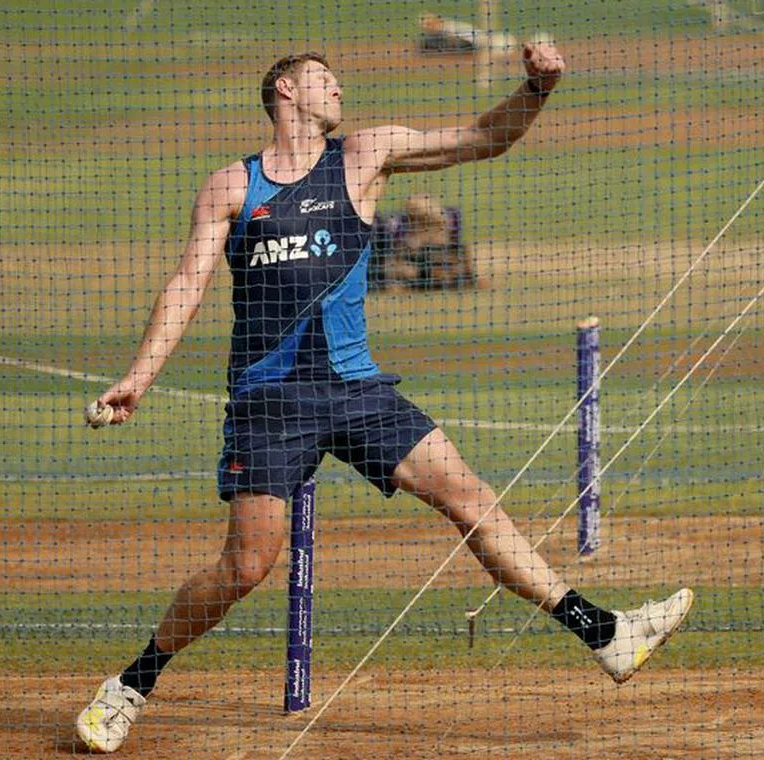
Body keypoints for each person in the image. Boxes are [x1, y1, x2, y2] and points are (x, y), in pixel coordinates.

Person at [76, 45, 694, 753]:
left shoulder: (364, 154)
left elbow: (483, 139)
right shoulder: (230, 186)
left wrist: (538, 86)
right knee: (246, 567)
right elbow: (187, 286)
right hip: (270, 401)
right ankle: (131, 684)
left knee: (474, 500)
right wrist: (138, 377)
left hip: (358, 388)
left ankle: (603, 633)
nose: (337, 86)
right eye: (321, 78)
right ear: (285, 89)